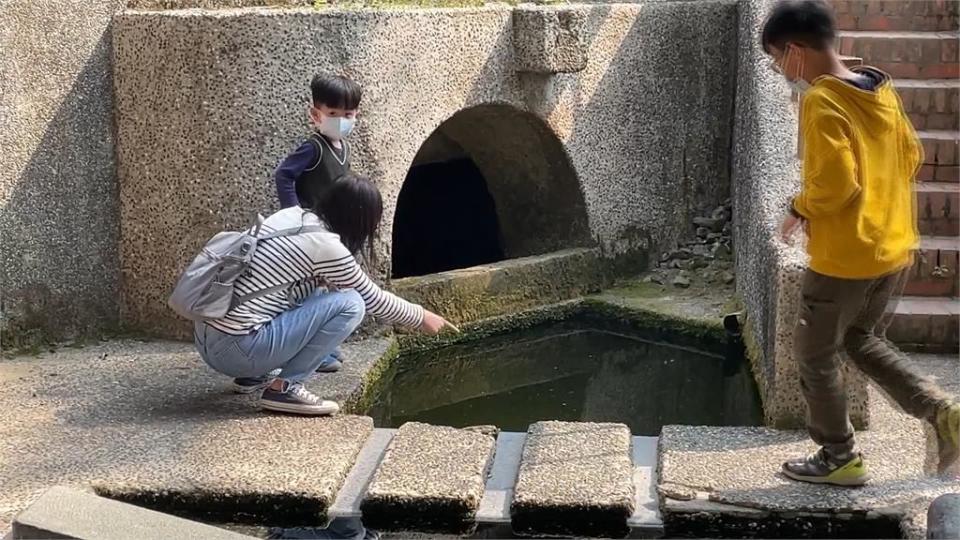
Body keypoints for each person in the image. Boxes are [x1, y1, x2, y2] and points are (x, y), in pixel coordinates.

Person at [762, 0, 959, 485]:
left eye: (775, 59)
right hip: (893, 247)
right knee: (859, 338)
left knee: (813, 353)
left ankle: (838, 457)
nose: (776, 69)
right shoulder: (879, 87)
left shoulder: (821, 100)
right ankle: (944, 413)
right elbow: (911, 156)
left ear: (795, 51)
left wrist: (799, 209)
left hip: (844, 258)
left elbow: (835, 185)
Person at [194, 174, 455, 416]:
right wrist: (422, 316)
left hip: (208, 339)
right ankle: (285, 388)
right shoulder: (326, 246)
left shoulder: (293, 216)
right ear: (359, 220)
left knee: (319, 290)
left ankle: (255, 374)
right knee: (351, 304)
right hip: (237, 351)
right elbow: (372, 298)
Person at [275, 74, 360, 209]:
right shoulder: (313, 148)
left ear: (356, 114)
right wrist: (294, 212)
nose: (340, 120)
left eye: (347, 114)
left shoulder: (346, 149)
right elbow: (284, 175)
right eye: (332, 113)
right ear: (316, 114)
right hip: (309, 222)